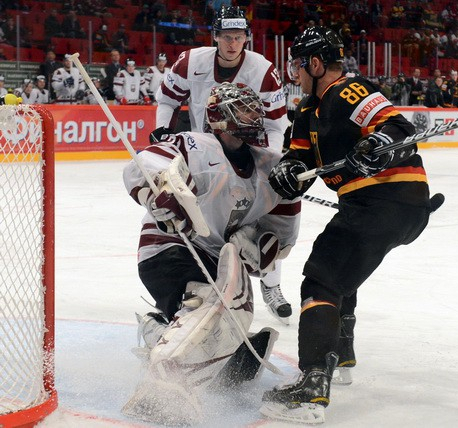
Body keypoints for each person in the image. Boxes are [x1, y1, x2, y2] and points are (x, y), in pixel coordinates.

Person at [260, 26, 435, 424]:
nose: (294, 72)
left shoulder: (348, 90)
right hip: (380, 206)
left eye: (298, 64)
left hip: (386, 198)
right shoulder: (308, 110)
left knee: (321, 279)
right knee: (341, 271)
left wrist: (376, 145)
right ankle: (341, 354)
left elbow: (399, 129)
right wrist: (288, 173)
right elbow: (299, 161)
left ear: (315, 63)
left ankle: (311, 387)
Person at [121, 83, 300, 422]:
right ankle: (163, 380)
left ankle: (163, 331)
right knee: (205, 302)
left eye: (255, 109)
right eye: (243, 109)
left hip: (216, 260)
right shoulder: (194, 145)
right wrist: (159, 190)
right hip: (169, 247)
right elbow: (142, 165)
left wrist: (256, 244)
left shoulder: (269, 166)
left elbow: (280, 241)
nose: (254, 115)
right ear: (219, 116)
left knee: (224, 316)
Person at [153, 6, 291, 323]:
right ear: (215, 36)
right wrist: (162, 131)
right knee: (203, 224)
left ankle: (271, 285)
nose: (233, 44)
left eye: (239, 37)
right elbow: (168, 99)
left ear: (246, 38)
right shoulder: (190, 62)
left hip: (248, 154)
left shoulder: (263, 70)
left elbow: (276, 125)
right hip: (206, 155)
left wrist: (267, 162)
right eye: (227, 37)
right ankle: (191, 288)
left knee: (265, 222)